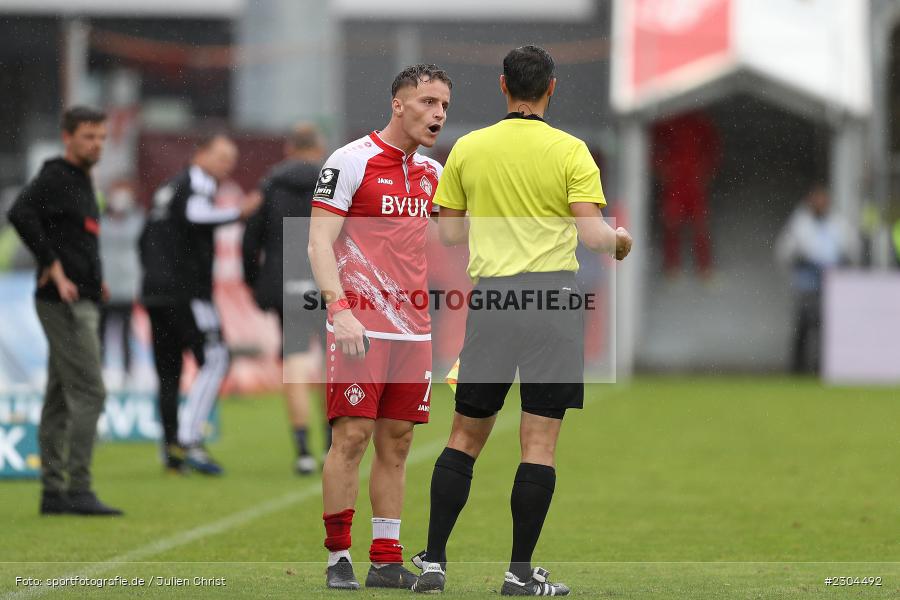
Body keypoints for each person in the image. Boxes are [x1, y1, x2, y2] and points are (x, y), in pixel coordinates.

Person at [410, 46, 632, 596]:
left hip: (494, 302)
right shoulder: (571, 150)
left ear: (503, 86)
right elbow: (594, 234)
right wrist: (621, 242)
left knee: (463, 435)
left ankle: (434, 563)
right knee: (539, 444)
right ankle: (518, 574)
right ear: (551, 87)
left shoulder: (469, 148)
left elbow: (450, 234)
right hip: (553, 302)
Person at [307, 64, 451, 590]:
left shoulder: (434, 174)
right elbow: (319, 241)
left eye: (443, 106)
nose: (437, 114)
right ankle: (338, 556)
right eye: (428, 102)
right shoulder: (350, 161)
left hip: (413, 331)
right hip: (359, 325)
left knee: (399, 440)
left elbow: (458, 240)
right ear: (398, 104)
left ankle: (386, 558)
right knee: (352, 436)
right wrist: (338, 309)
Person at [7, 106, 123, 516]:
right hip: (65, 303)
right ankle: (79, 488)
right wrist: (51, 265)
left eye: (102, 137)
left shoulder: (81, 179)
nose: (97, 144)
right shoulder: (57, 174)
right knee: (91, 391)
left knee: (59, 396)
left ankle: (53, 493)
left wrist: (95, 278)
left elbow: (78, 238)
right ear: (67, 137)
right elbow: (19, 213)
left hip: (83, 295)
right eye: (89, 136)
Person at [140, 133, 261, 475]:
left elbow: (144, 238)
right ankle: (190, 440)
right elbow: (196, 215)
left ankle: (171, 452)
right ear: (201, 154)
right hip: (186, 292)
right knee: (216, 358)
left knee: (168, 373)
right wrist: (239, 212)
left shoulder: (166, 188)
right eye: (221, 157)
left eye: (231, 160)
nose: (227, 166)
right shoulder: (197, 183)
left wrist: (154, 274)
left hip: (155, 292)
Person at [242, 123, 329, 475]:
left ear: (289, 148)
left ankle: (303, 450)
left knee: (293, 362)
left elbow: (250, 239)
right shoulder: (333, 179)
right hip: (327, 281)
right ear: (319, 146)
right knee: (332, 363)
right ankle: (331, 444)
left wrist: (255, 283)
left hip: (286, 282)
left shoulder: (270, 184)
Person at [775, 185, 859, 374]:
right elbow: (784, 252)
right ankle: (798, 369)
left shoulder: (839, 223)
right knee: (804, 326)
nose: (820, 204)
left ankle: (824, 368)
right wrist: (803, 261)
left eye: (823, 200)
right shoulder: (799, 223)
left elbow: (851, 249)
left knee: (828, 328)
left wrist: (842, 262)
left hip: (833, 284)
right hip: (807, 283)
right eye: (816, 201)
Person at [652, 110, 719, 279]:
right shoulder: (667, 123)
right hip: (675, 185)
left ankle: (704, 268)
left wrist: (706, 171)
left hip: (694, 184)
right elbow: (652, 147)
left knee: (700, 226)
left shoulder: (701, 122)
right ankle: (672, 266)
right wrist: (663, 170)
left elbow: (714, 148)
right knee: (672, 224)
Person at [99, 181, 143, 385]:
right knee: (100, 332)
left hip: (126, 287)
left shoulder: (136, 222)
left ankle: (128, 372)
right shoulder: (101, 222)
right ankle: (99, 370)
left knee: (126, 332)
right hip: (104, 286)